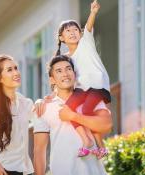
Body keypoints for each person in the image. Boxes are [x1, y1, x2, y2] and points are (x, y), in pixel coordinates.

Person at [33, 55, 112, 175]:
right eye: (59, 71)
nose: (65, 74)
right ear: (52, 80)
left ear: (74, 74)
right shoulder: (43, 108)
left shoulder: (90, 98)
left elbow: (106, 125)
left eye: (68, 69)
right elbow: (39, 151)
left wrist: (73, 116)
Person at [55, 0, 111, 157]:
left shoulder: (86, 42)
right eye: (68, 31)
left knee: (86, 110)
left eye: (75, 30)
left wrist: (93, 12)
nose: (73, 33)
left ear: (80, 33)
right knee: (67, 109)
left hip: (97, 85)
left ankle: (101, 146)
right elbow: (61, 77)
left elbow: (88, 26)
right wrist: (51, 95)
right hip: (82, 88)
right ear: (61, 37)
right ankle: (86, 140)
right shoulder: (65, 58)